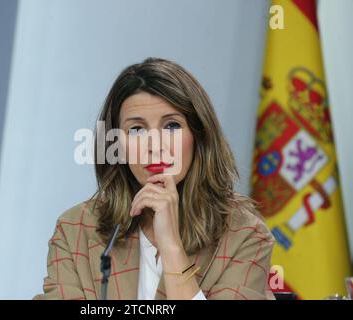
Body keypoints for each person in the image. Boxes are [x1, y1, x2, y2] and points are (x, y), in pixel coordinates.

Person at [34, 57, 275, 300]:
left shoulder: (245, 235)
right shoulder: (75, 230)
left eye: (171, 126)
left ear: (199, 136)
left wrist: (171, 245)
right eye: (137, 130)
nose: (155, 145)